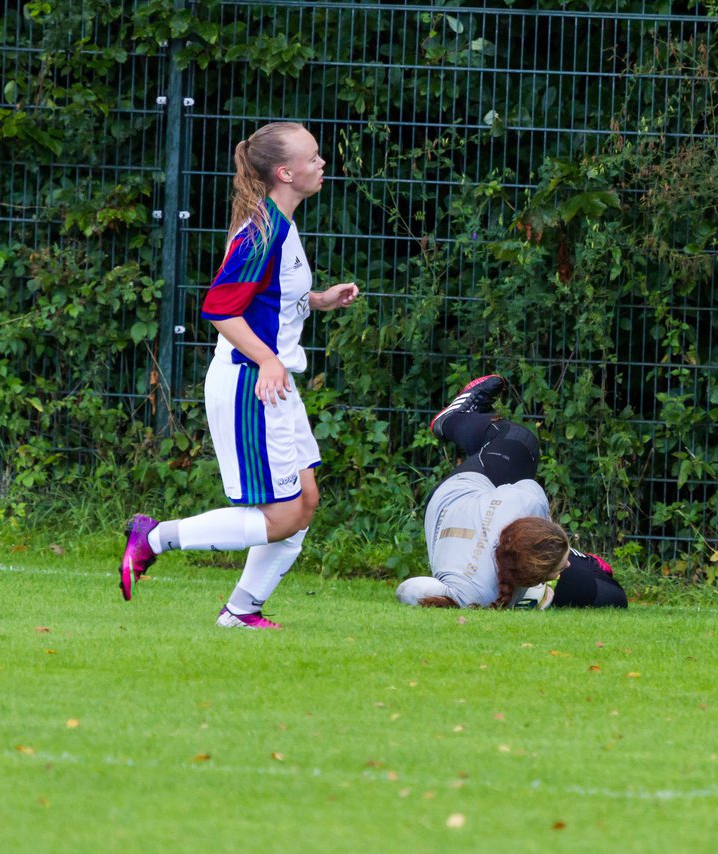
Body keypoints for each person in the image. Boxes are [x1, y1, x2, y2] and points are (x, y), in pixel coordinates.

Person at [117, 121, 359, 629]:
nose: (321, 164)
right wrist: (268, 358)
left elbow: (268, 301)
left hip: (275, 383)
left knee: (306, 501)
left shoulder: (282, 224)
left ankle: (241, 611)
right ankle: (153, 537)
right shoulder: (261, 230)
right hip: (252, 384)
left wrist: (318, 300)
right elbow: (221, 309)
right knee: (284, 515)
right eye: (313, 157)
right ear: (285, 172)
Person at [396, 376, 627, 609]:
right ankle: (452, 419)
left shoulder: (521, 504)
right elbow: (409, 588)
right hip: (470, 523)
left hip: (454, 497)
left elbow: (408, 589)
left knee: (519, 441)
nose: (564, 568)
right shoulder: (476, 594)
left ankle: (454, 420)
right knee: (612, 596)